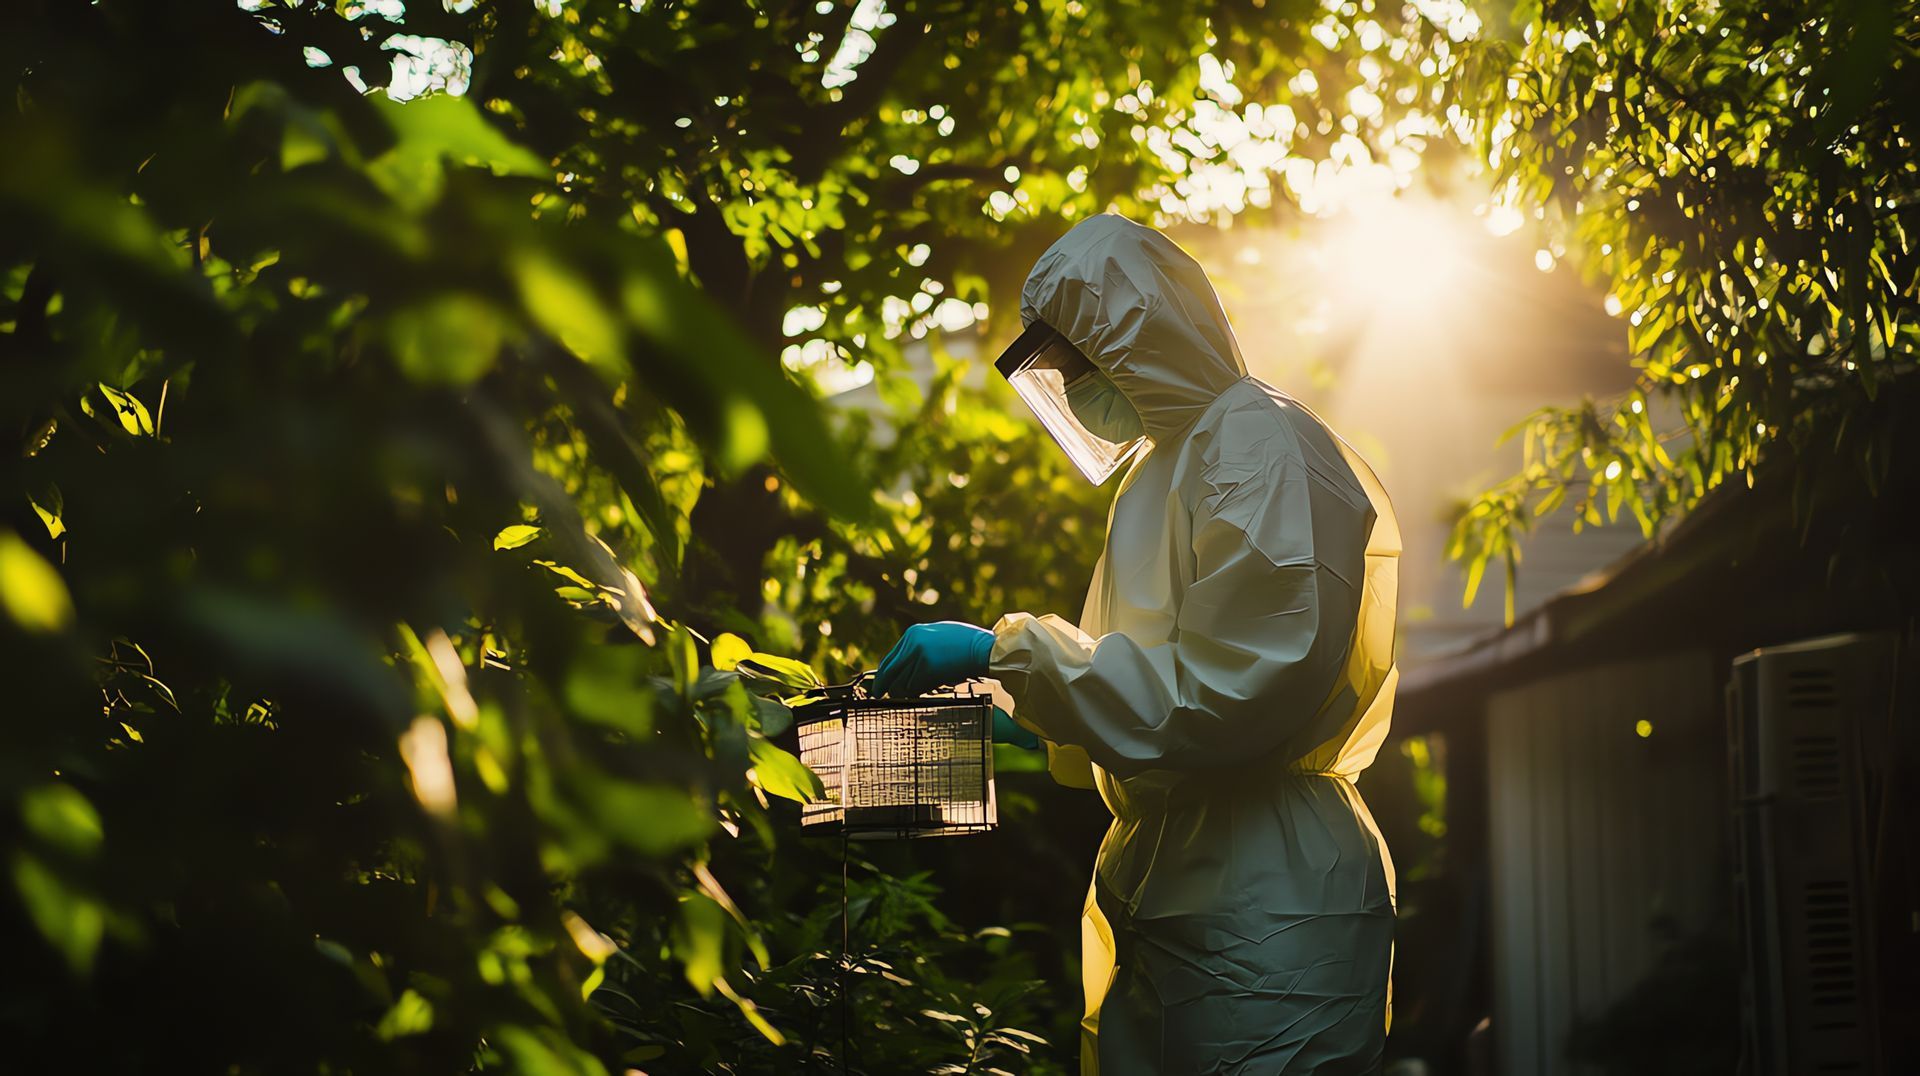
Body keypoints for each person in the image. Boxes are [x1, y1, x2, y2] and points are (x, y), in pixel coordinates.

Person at [873, 213, 1400, 1075]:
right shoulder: (1165, 470)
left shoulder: (1260, 446)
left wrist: (1001, 652)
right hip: (1178, 883)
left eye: (1072, 360)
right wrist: (1021, 719)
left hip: (1271, 901)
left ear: (1133, 338)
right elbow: (1147, 689)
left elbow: (1232, 694)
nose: (1070, 387)